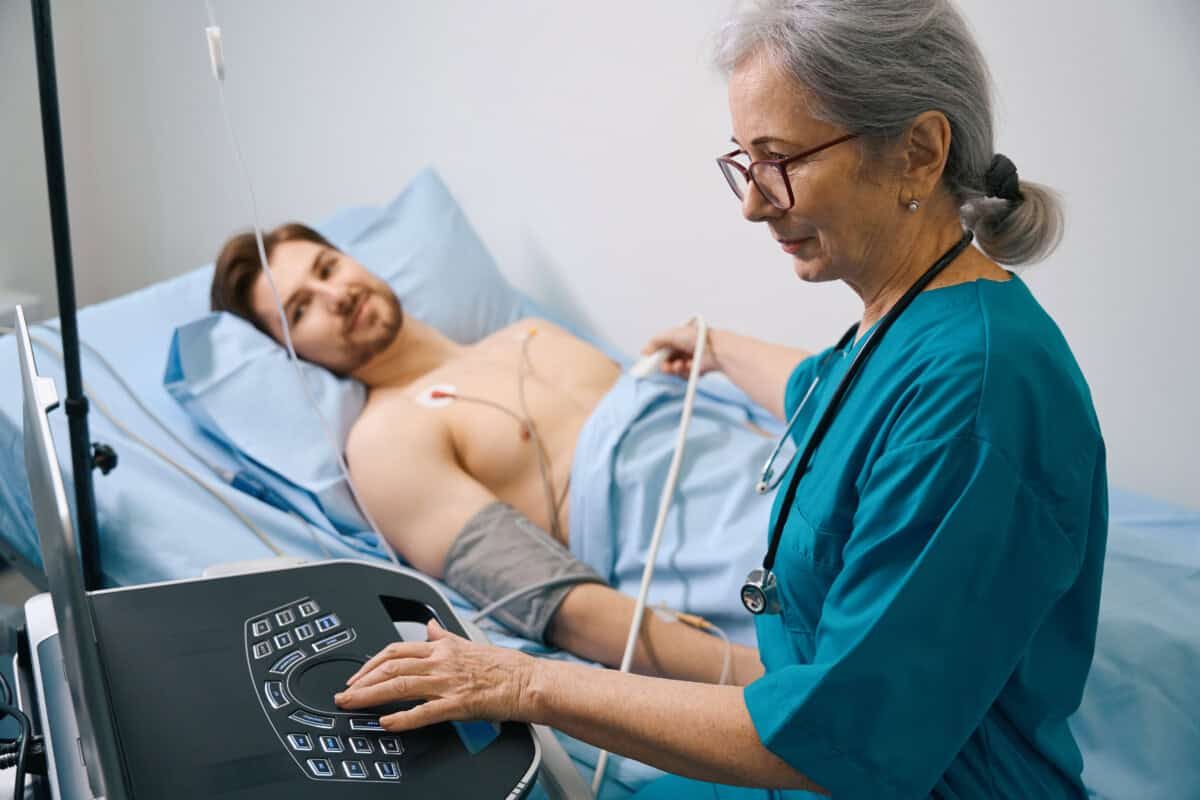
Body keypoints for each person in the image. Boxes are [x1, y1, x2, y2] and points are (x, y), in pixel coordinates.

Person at [331, 1, 1108, 797]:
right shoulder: (902, 323)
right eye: (743, 161)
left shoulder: (978, 391)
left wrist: (524, 683)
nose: (752, 202)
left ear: (918, 151)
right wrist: (718, 346)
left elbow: (833, 738)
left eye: (779, 160)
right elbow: (828, 397)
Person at [210, 222, 765, 686]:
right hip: (748, 560)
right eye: (301, 309)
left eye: (328, 268)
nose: (338, 296)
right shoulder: (388, 440)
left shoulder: (532, 332)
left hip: (801, 477)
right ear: (291, 354)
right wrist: (754, 677)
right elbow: (556, 603)